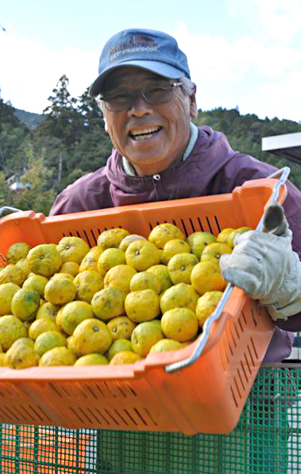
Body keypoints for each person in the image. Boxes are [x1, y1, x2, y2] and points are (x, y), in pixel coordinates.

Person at [50, 28, 301, 472]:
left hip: (245, 422)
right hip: (122, 429)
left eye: (157, 89)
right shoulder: (78, 207)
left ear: (190, 98)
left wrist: (291, 291)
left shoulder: (261, 193)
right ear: (105, 114)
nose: (139, 108)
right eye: (119, 97)